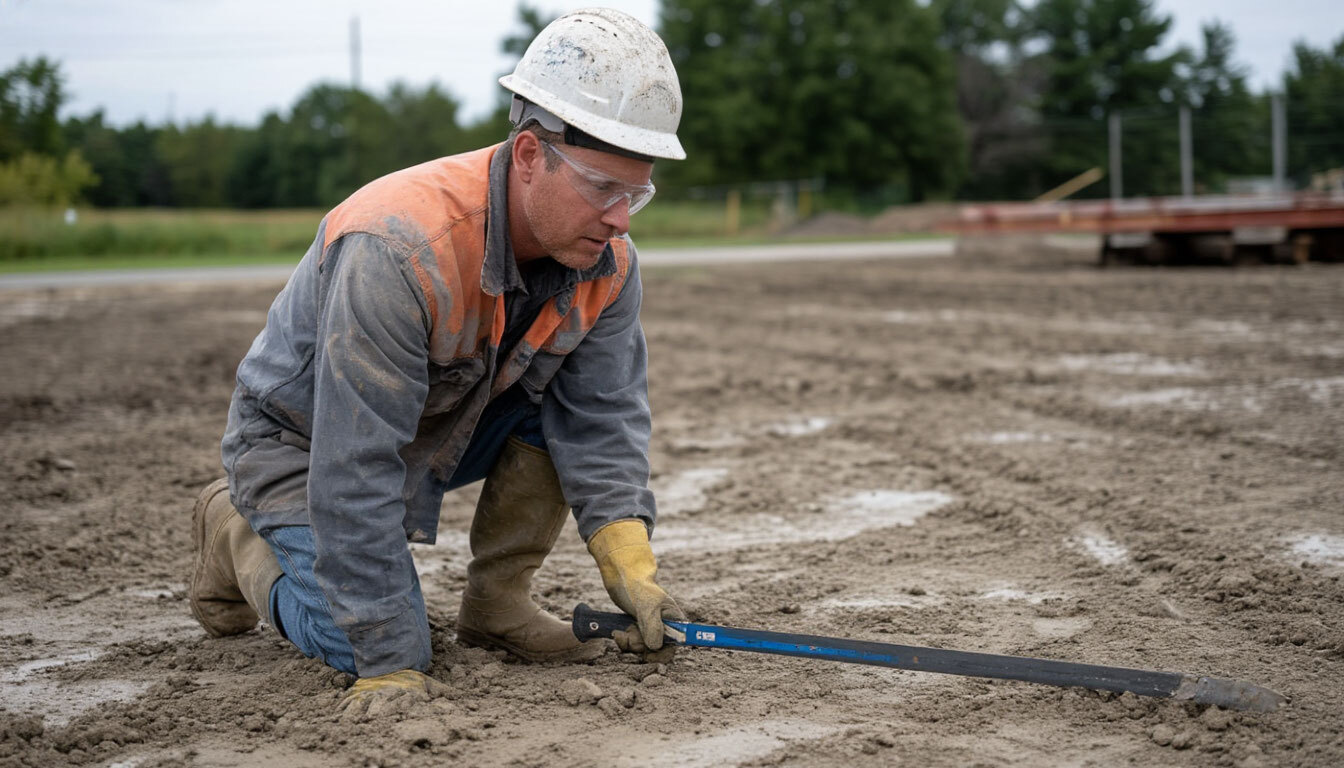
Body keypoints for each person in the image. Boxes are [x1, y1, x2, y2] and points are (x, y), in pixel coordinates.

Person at [187, 8, 686, 707]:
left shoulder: (609, 264)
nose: (621, 219)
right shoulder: (396, 248)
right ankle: (234, 533)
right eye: (603, 189)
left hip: (444, 422)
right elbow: (353, 461)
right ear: (532, 155)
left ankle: (497, 604)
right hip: (303, 447)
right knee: (372, 641)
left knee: (558, 408)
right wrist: (389, 656)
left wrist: (626, 548)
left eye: (637, 193)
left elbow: (601, 416)